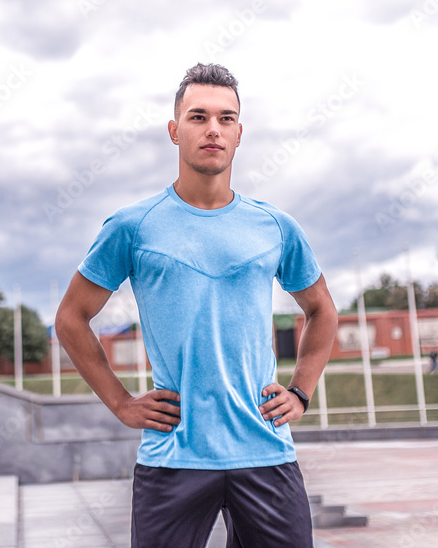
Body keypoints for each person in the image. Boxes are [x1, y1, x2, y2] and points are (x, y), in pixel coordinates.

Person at [55, 63, 339, 548]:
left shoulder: (275, 227)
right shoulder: (133, 226)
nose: (213, 129)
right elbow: (71, 318)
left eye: (226, 119)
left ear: (239, 133)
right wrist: (120, 402)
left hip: (264, 449)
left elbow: (322, 310)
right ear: (174, 130)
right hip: (173, 456)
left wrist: (301, 391)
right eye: (198, 116)